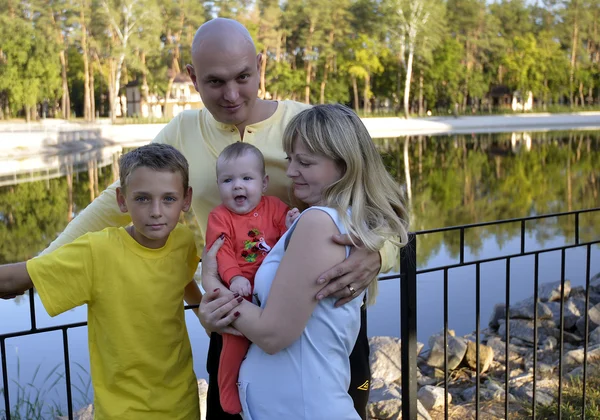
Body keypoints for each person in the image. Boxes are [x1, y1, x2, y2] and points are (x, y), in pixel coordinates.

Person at [40, 18, 398, 419]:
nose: (231, 94)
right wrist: (43, 265)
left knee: (340, 403)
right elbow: (115, 200)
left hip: (328, 322)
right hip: (233, 316)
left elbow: (382, 202)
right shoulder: (182, 130)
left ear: (261, 64)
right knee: (232, 407)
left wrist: (377, 254)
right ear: (192, 77)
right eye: (214, 82)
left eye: (244, 76)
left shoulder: (305, 126)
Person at [200, 104, 409, 419]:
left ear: (345, 165)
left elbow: (273, 334)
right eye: (290, 159)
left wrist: (213, 286)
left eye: (305, 162)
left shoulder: (319, 223)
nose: (292, 171)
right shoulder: (338, 220)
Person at [0, 143, 204, 419]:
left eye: (169, 198)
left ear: (186, 199)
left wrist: (212, 323)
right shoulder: (97, 252)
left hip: (183, 404)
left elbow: (183, 281)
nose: (156, 211)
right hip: (124, 411)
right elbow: (14, 279)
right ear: (121, 199)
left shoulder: (183, 240)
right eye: (142, 198)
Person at [205, 142, 299, 414]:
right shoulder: (220, 217)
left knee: (278, 342)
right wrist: (234, 278)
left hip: (273, 289)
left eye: (247, 178)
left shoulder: (275, 207)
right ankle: (227, 388)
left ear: (264, 183)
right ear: (218, 184)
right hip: (240, 292)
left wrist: (292, 223)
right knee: (234, 343)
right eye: (228, 180)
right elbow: (220, 253)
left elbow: (287, 237)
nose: (238, 186)